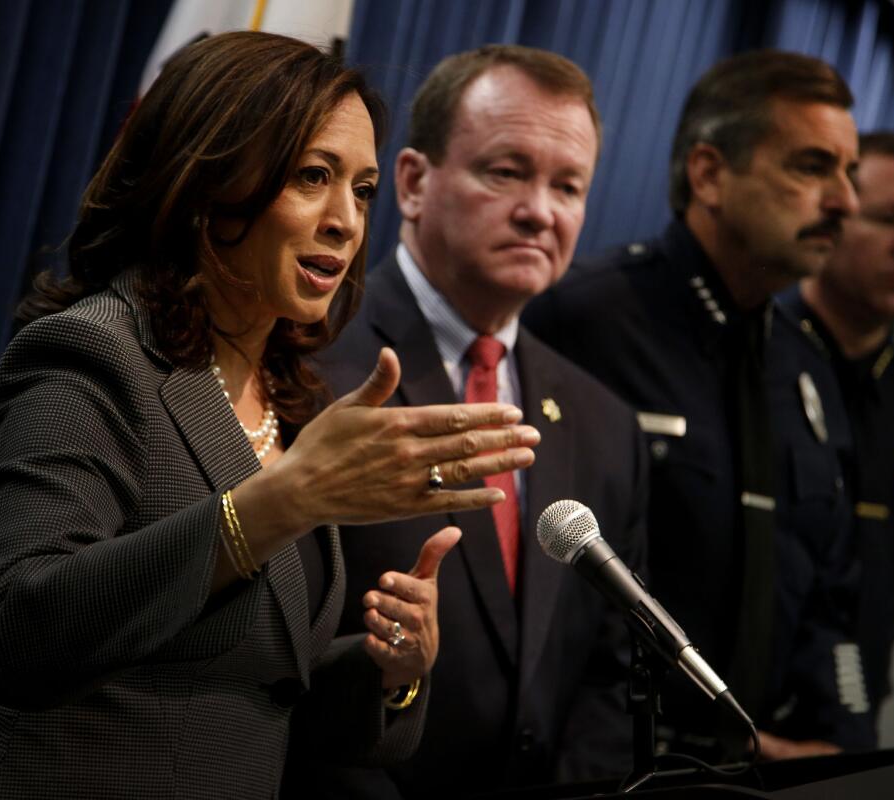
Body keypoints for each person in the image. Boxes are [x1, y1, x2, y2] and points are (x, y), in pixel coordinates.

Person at [0, 32, 541, 799]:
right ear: (206, 187)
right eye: (312, 176)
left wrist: (390, 667)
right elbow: (16, 634)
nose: (346, 220)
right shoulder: (92, 355)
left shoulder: (295, 401)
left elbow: (256, 693)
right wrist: (280, 501)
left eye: (362, 190)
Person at [284, 46, 648, 798]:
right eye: (506, 171)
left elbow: (613, 669)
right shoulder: (305, 366)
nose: (540, 210)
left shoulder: (608, 425)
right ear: (414, 182)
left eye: (568, 185)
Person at [525, 50, 876, 758]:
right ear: (709, 173)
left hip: (770, 764)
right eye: (812, 167)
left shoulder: (807, 368)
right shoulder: (582, 321)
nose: (846, 202)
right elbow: (534, 592)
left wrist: (844, 739)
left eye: (849, 173)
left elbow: (832, 594)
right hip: (612, 766)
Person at [780, 132, 894, 732]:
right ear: (833, 219)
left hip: (848, 727)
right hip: (739, 722)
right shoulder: (757, 356)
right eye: (888, 219)